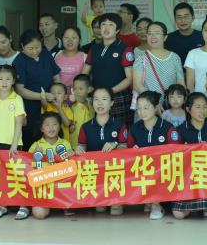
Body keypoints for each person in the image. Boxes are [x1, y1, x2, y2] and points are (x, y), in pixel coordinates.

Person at [122, 91, 177, 220]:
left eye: (146, 108)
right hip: (141, 171)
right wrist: (132, 151)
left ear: (156, 107)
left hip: (163, 170)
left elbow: (177, 152)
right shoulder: (135, 128)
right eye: (139, 108)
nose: (142, 112)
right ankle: (149, 200)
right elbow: (127, 152)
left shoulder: (167, 128)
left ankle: (156, 205)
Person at [171, 92, 207, 219]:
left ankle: (203, 204)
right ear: (188, 109)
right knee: (178, 214)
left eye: (205, 107)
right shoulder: (180, 130)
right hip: (187, 179)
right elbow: (174, 158)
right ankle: (192, 205)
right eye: (198, 107)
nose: (202, 111)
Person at [0, 65, 29, 220]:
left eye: (8, 79)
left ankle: (24, 205)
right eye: (1, 79)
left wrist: (14, 144)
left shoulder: (17, 99)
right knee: (1, 175)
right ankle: (3, 205)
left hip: (14, 144)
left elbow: (19, 123)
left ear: (13, 80)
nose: (4, 82)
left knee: (17, 174)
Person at [76, 87, 126, 216]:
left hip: (114, 176)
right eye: (96, 99)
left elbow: (126, 150)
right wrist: (79, 150)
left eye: (104, 99)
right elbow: (81, 149)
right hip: (94, 176)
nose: (99, 103)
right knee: (100, 209)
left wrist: (115, 145)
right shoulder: (85, 127)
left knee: (116, 210)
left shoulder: (120, 125)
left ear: (112, 102)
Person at [82, 13, 134, 125]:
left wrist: (110, 91)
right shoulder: (94, 49)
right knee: (97, 128)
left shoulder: (125, 49)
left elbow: (129, 79)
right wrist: (87, 87)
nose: (106, 28)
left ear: (117, 30)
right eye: (103, 24)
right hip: (96, 97)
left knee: (119, 131)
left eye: (111, 24)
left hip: (117, 97)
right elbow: (84, 74)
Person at [14, 29, 61, 147]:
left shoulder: (45, 54)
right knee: (32, 140)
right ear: (22, 46)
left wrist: (58, 93)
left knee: (52, 138)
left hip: (51, 105)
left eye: (37, 47)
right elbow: (20, 89)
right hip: (30, 108)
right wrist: (42, 96)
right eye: (30, 48)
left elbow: (56, 76)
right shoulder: (19, 61)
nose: (35, 51)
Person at [28, 113, 74, 220]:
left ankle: (61, 205)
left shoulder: (66, 144)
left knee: (70, 206)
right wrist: (34, 157)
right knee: (39, 214)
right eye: (47, 125)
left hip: (62, 190)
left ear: (59, 127)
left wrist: (72, 154)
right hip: (43, 190)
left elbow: (72, 168)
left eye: (54, 124)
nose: (51, 128)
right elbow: (27, 168)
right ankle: (50, 205)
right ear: (41, 129)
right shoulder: (36, 146)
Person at [132, 21, 184, 96]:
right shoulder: (141, 59)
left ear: (165, 37)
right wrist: (153, 100)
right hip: (149, 102)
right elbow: (137, 85)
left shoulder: (175, 57)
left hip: (171, 102)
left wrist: (177, 99)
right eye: (149, 33)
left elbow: (180, 83)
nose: (153, 36)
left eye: (157, 33)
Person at [54, 27, 86, 93]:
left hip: (78, 97)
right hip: (58, 97)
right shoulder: (54, 56)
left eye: (74, 38)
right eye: (66, 37)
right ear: (62, 39)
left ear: (79, 40)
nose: (70, 40)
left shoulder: (85, 57)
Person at [69, 74, 95, 144]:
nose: (77, 91)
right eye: (75, 89)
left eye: (80, 89)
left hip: (90, 141)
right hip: (76, 143)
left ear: (89, 89)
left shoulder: (92, 103)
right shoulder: (72, 105)